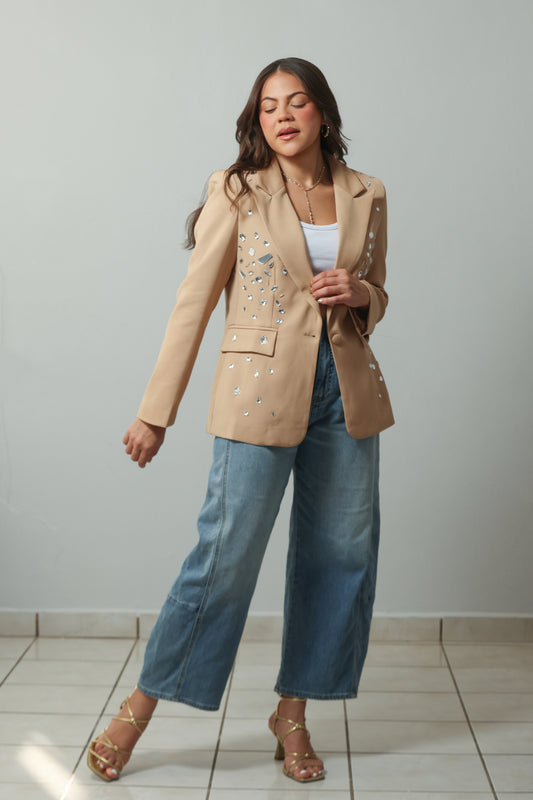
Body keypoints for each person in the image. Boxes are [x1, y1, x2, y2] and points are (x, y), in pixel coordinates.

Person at [87, 56, 393, 785]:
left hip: (344, 393)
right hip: (257, 390)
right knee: (223, 556)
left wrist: (361, 294)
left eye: (297, 102)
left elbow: (376, 295)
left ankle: (292, 714)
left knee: (339, 556)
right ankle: (137, 708)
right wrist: (154, 413)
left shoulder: (367, 192)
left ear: (323, 112)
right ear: (257, 120)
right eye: (268, 106)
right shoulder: (236, 190)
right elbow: (193, 304)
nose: (283, 116)